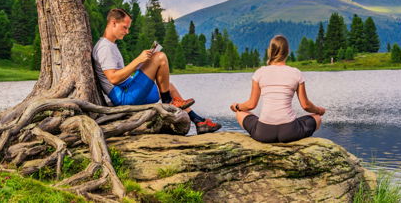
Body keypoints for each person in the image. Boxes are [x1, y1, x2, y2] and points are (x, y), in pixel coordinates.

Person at [92, 8, 221, 134]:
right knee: (160, 57)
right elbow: (113, 78)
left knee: (168, 86)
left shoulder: (110, 45)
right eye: (125, 27)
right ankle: (167, 102)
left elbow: (120, 74)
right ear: (113, 23)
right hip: (124, 96)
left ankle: (198, 121)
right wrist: (138, 60)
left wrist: (143, 62)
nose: (127, 32)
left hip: (128, 89)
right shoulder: (105, 48)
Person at [230, 35, 325, 143]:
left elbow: (251, 105)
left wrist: (237, 106)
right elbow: (306, 105)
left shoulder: (260, 73)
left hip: (264, 133)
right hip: (290, 132)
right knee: (317, 118)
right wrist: (319, 110)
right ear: (287, 51)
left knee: (240, 113)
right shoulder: (296, 73)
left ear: (270, 51)